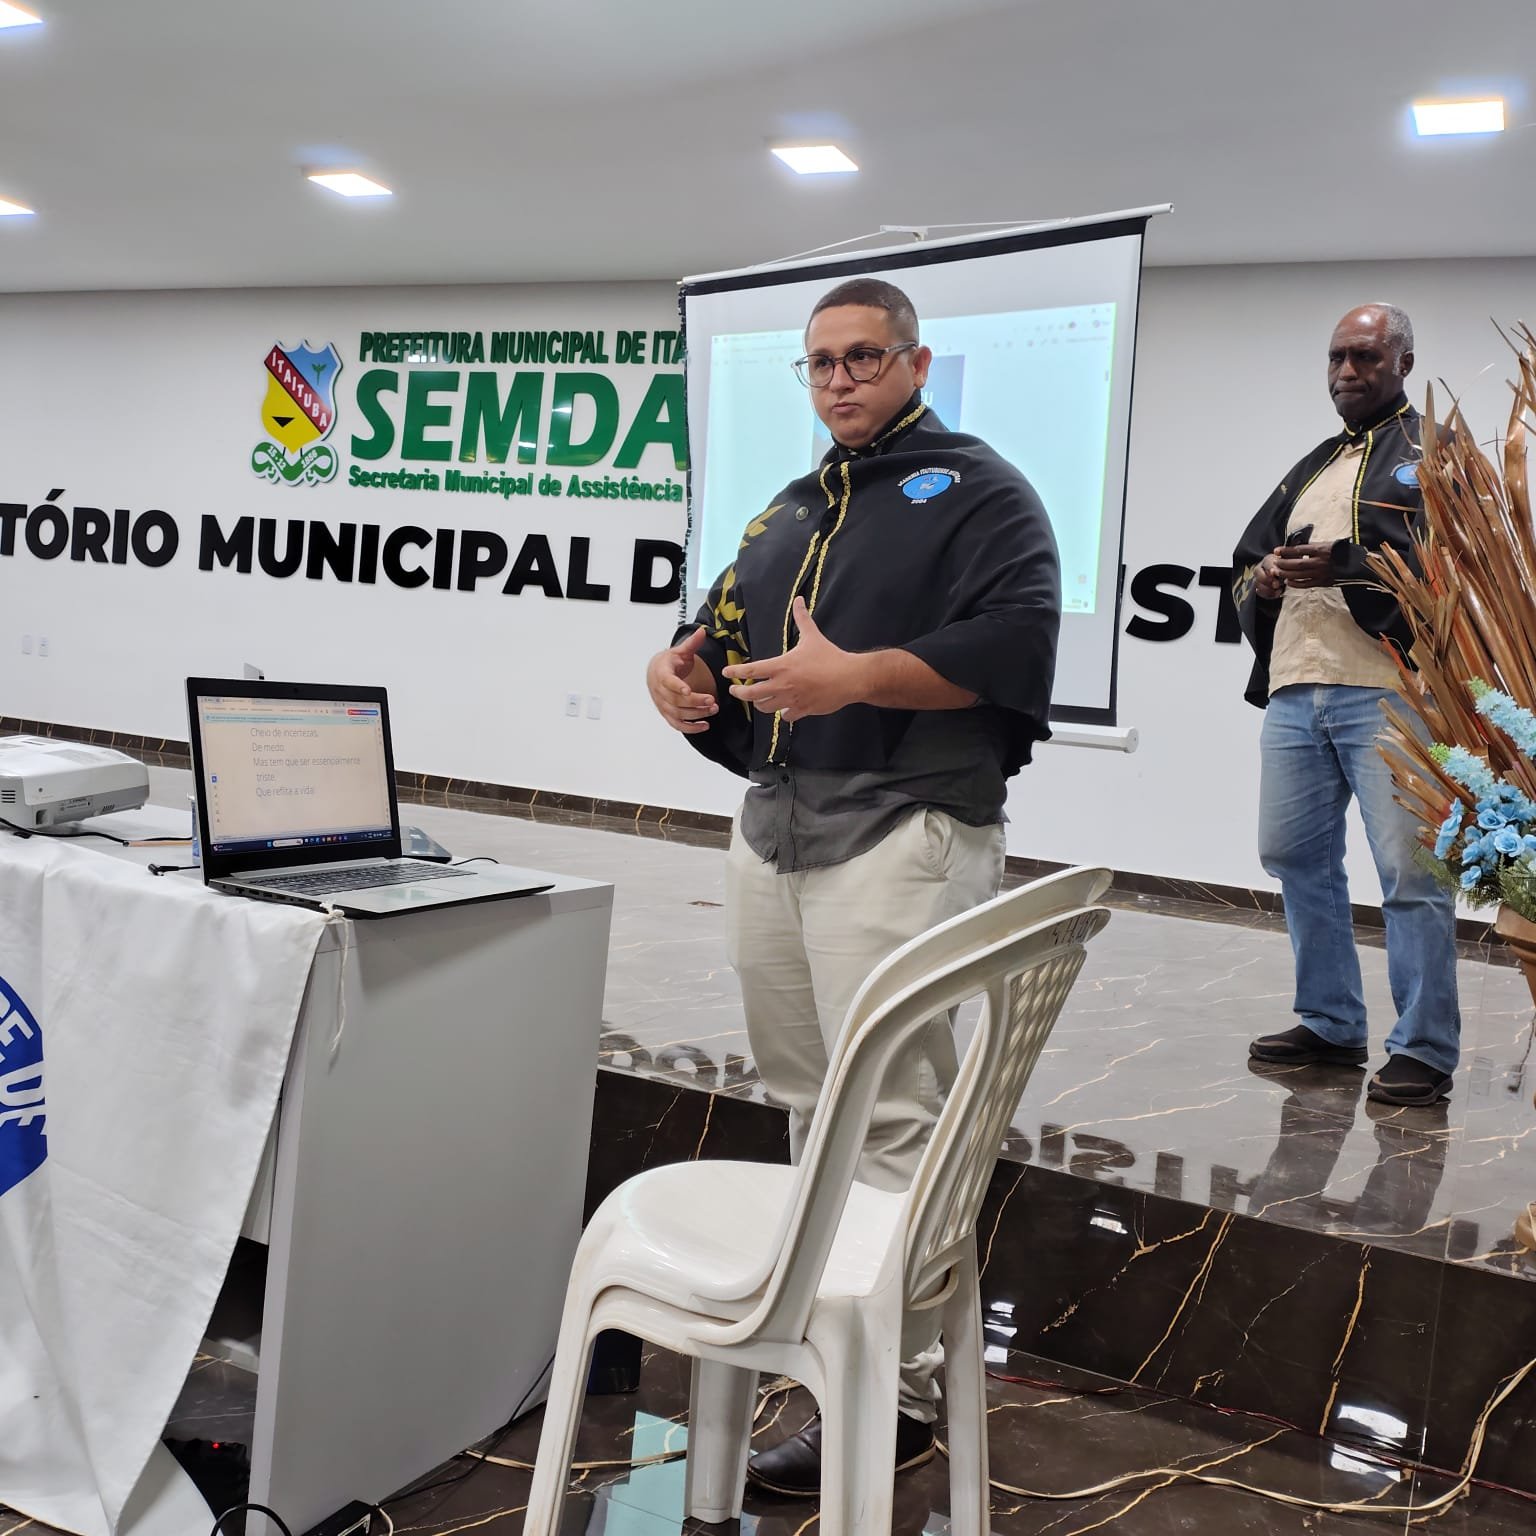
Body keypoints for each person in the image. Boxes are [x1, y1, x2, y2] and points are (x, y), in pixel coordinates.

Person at [645, 276, 1060, 1494]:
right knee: (808, 1104)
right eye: (821, 362)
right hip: (777, 827)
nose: (840, 379)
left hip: (905, 829)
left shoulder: (983, 492)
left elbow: (1015, 644)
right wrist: (676, 672)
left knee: (890, 1115)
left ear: (917, 365)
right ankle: (831, 1345)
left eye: (864, 357)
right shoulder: (789, 507)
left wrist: (861, 676)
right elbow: (719, 633)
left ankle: (900, 1396)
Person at [1233, 303, 1460, 1108]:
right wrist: (1264, 579)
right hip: (1297, 688)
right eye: (1337, 357)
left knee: (1409, 873)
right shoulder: (1314, 464)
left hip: (1391, 692)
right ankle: (1330, 1023)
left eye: (1365, 356)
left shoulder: (1439, 452)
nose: (1347, 371)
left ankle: (1424, 1047)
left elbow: (1459, 568)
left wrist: (1349, 563)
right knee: (1292, 857)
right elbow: (1245, 562)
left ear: (1403, 363)